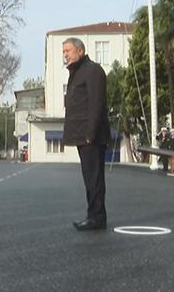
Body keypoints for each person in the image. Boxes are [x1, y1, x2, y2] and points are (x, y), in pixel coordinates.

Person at [62, 38, 110, 231]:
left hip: (92, 136)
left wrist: (90, 133)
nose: (65, 55)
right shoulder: (77, 72)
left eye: (68, 51)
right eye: (63, 52)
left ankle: (97, 218)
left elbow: (97, 104)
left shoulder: (92, 71)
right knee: (90, 178)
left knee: (94, 178)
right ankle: (94, 215)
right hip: (83, 135)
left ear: (80, 51)